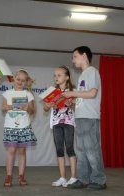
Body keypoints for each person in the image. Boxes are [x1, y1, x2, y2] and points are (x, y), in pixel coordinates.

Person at [62, 46, 107, 190]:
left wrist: (72, 94)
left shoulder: (92, 72)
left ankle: (99, 180)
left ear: (84, 56)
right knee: (81, 150)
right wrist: (73, 101)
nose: (72, 60)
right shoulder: (82, 76)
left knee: (91, 150)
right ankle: (83, 179)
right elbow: (84, 97)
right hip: (80, 116)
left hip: (89, 117)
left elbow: (93, 93)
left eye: (75, 56)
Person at [2, 69, 37, 187]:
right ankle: (9, 175)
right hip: (10, 126)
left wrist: (28, 108)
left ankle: (21, 176)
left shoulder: (28, 94)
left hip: (23, 126)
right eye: (18, 79)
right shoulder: (7, 93)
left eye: (23, 80)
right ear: (13, 79)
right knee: (11, 150)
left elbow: (32, 110)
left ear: (26, 82)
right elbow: (3, 107)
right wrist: (6, 107)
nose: (20, 82)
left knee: (22, 151)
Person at [43, 66, 77, 187]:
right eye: (55, 75)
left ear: (67, 77)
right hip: (56, 123)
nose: (56, 77)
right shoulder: (52, 92)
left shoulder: (73, 91)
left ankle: (73, 177)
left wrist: (71, 104)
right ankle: (62, 177)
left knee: (69, 148)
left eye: (59, 75)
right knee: (59, 150)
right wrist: (49, 105)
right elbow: (45, 108)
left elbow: (77, 107)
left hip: (68, 123)